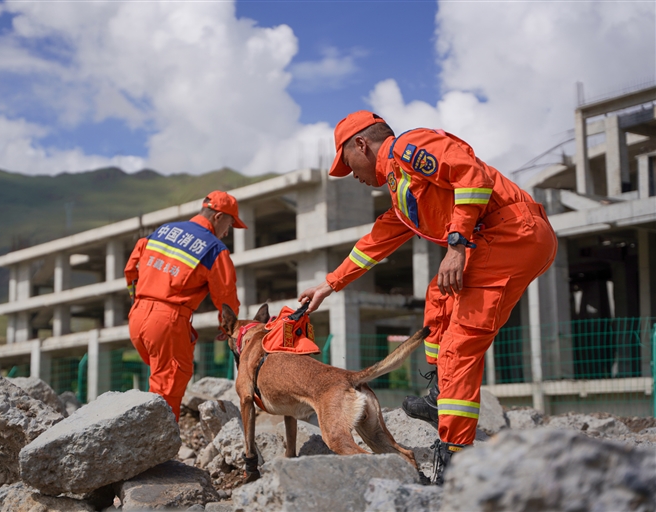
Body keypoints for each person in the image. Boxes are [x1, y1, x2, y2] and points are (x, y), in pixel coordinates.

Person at [299, 111, 557, 484]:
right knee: (438, 296)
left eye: (348, 163)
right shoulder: (402, 192)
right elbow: (375, 243)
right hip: (503, 237)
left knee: (459, 345)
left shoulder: (409, 147)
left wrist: (456, 243)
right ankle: (440, 396)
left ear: (361, 145)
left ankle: (454, 457)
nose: (351, 174)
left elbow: (471, 174)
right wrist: (329, 284)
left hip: (511, 233)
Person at [125, 190, 246, 421]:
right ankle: (159, 442)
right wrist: (228, 327)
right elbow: (225, 295)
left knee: (159, 378)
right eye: (229, 224)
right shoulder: (214, 249)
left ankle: (145, 433)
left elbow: (131, 269)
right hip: (166, 322)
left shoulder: (163, 231)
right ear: (218, 217)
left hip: (137, 316)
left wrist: (138, 301)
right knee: (168, 387)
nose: (227, 232)